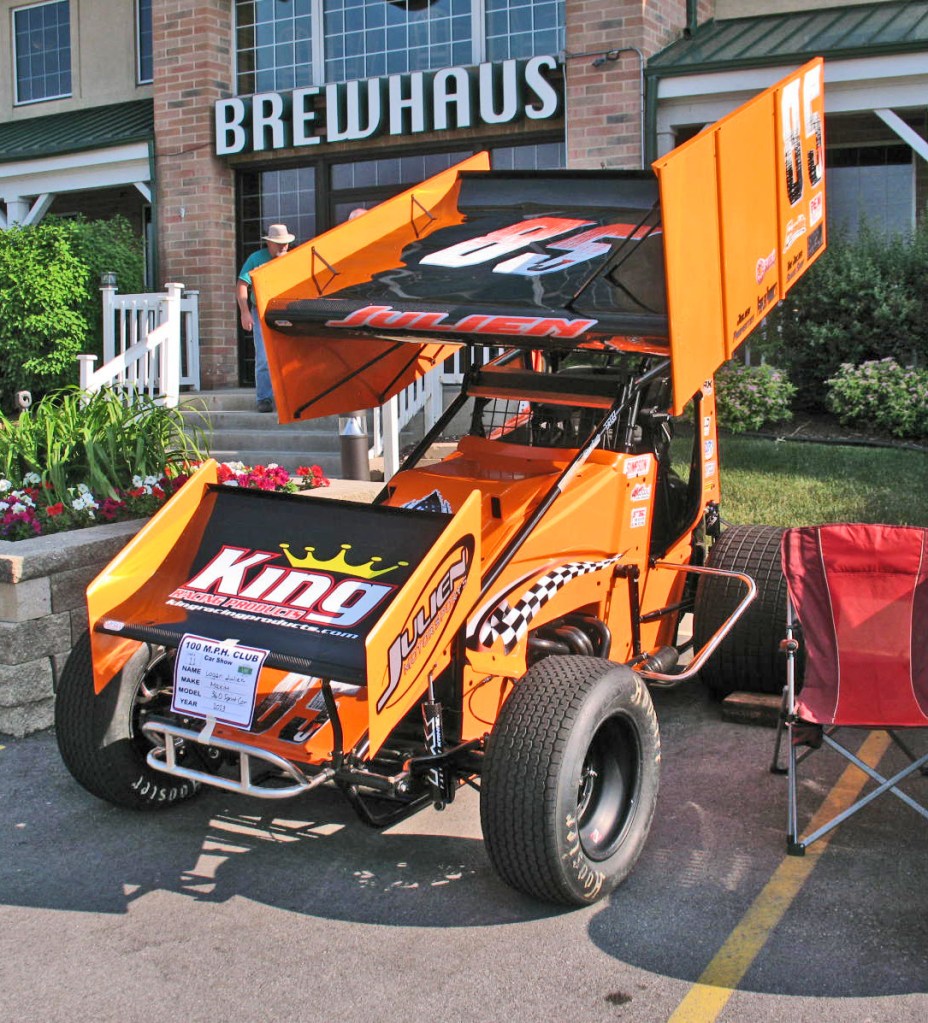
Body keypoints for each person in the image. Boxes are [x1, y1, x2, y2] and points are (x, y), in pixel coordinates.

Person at [236, 223, 294, 412]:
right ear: (269, 243)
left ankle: (291, 397)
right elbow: (242, 285)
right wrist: (245, 312)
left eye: (285, 243)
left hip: (287, 310)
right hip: (260, 311)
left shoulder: (293, 259)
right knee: (263, 357)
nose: (283, 246)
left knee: (290, 355)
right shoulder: (256, 259)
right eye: (279, 243)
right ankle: (264, 398)